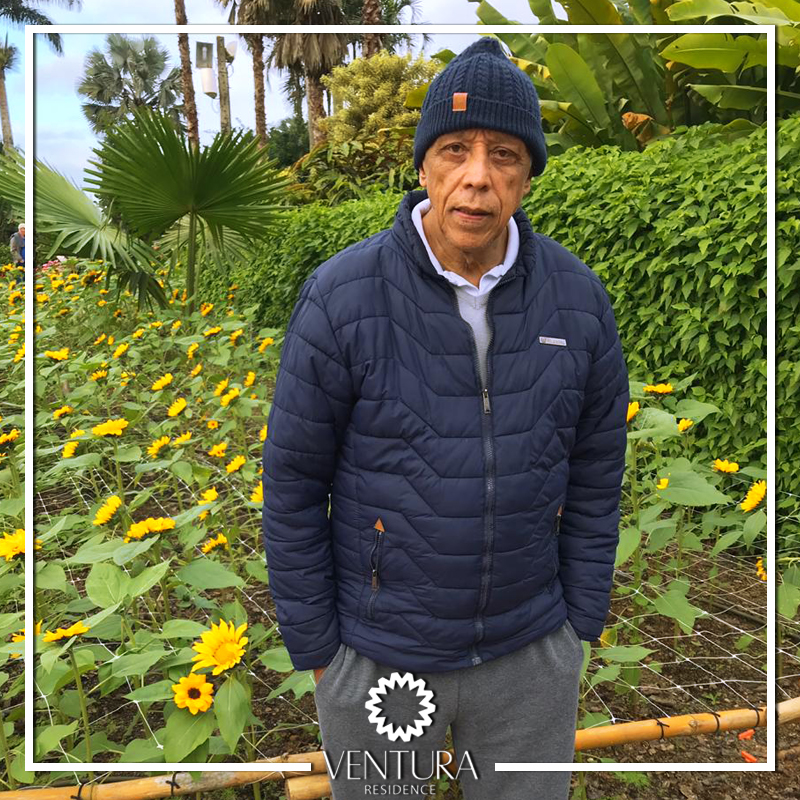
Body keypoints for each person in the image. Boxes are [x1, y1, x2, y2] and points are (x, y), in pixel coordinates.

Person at [261, 37, 629, 800]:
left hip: (530, 652)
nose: (477, 176)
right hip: (379, 655)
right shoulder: (343, 296)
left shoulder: (578, 299)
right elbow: (292, 482)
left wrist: (578, 625)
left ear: (527, 175)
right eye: (456, 149)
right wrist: (322, 651)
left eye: (504, 154)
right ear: (425, 166)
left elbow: (597, 472)